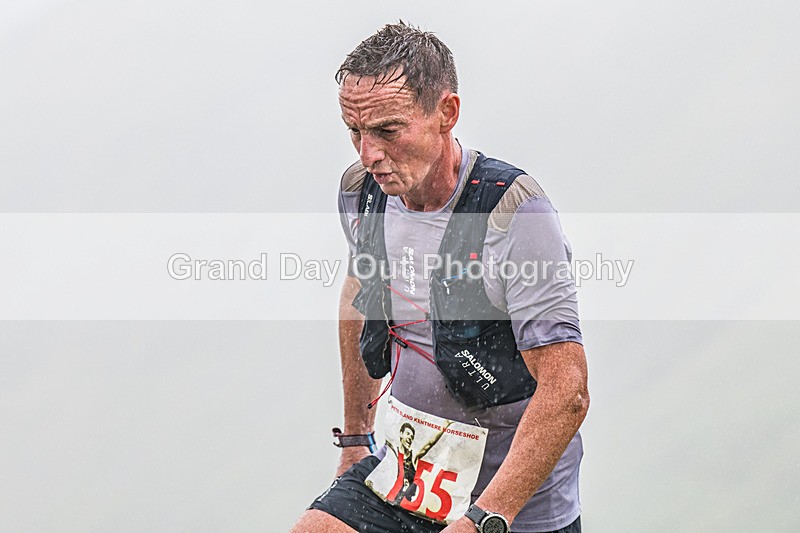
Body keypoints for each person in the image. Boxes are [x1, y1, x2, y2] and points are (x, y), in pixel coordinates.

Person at [290, 22, 589, 533]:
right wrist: (356, 439)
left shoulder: (514, 213)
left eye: (388, 130)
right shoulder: (362, 192)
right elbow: (361, 295)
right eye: (355, 131)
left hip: (510, 506)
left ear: (446, 112)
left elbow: (568, 390)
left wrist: (484, 518)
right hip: (404, 476)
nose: (368, 154)